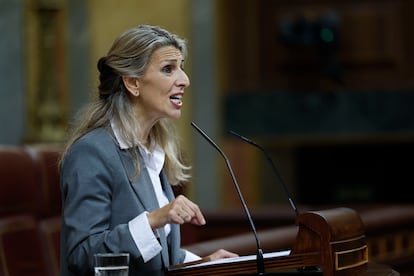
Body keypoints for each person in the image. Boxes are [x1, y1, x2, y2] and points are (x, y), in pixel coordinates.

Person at [59, 24, 238, 275]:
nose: (184, 80)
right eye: (168, 69)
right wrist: (155, 219)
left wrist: (201, 265)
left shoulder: (151, 150)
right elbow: (83, 255)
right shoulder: (91, 152)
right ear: (133, 83)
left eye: (181, 67)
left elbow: (157, 258)